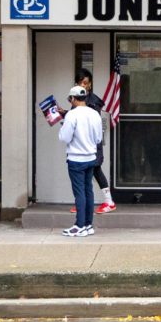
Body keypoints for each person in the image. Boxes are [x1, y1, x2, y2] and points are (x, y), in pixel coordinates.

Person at [56, 70, 116, 213]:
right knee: (88, 172)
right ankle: (82, 203)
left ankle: (108, 201)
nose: (85, 85)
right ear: (76, 83)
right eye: (82, 82)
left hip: (91, 142)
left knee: (95, 169)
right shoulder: (79, 99)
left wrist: (68, 115)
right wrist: (64, 113)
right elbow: (77, 117)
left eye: (87, 83)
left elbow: (88, 120)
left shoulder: (92, 101)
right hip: (83, 144)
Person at [58, 85, 103, 237]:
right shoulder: (94, 114)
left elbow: (64, 137)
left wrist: (63, 125)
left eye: (69, 98)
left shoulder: (72, 115)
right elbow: (98, 138)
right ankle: (89, 225)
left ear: (72, 99)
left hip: (76, 159)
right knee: (88, 191)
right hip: (91, 157)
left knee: (79, 194)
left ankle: (79, 225)